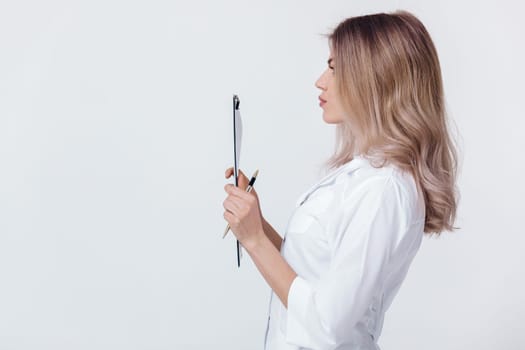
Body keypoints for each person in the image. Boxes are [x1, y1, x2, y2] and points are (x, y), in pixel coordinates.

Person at [222, 10, 458, 350]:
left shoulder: (384, 190)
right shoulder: (365, 174)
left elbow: (327, 325)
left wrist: (255, 239)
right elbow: (306, 273)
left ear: (374, 79)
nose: (320, 80)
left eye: (334, 68)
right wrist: (254, 225)